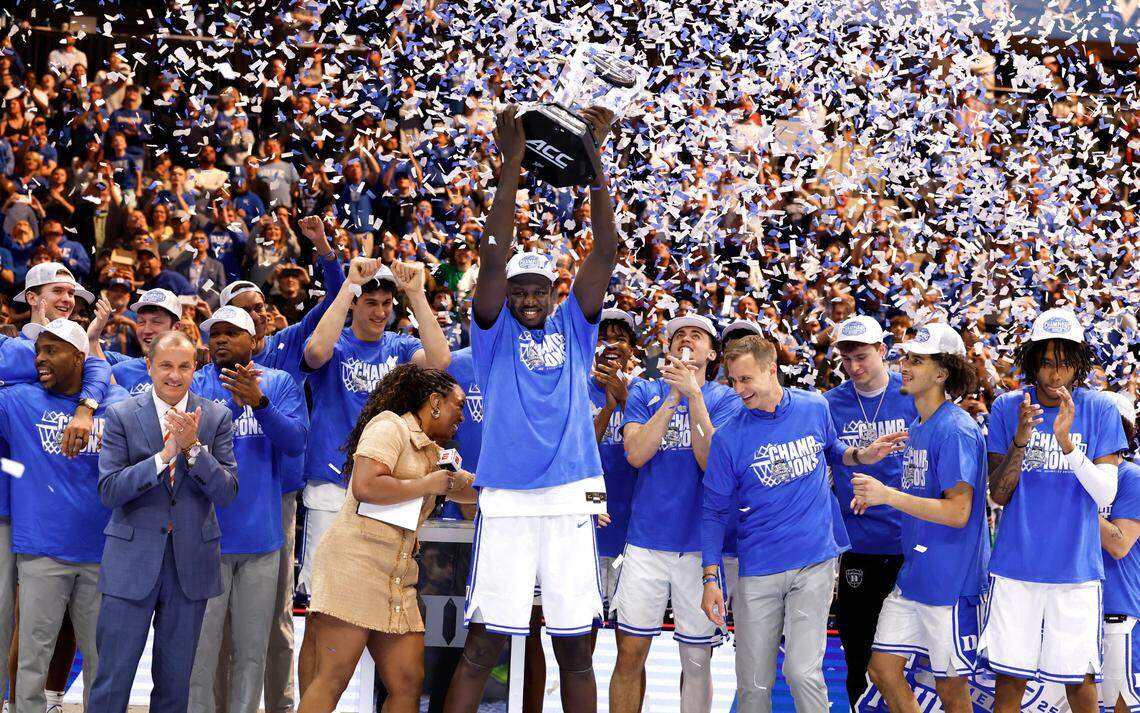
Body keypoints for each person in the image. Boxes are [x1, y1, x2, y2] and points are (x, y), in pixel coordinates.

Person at [443, 104, 618, 713]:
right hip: (509, 498)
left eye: (536, 289)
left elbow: (607, 250)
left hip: (572, 495)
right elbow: (493, 257)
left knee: (577, 648)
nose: (525, 298)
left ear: (554, 291)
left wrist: (593, 156)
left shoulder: (576, 326)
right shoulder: (491, 334)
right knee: (483, 644)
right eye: (517, 290)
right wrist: (511, 167)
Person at [700, 335, 906, 712]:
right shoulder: (728, 438)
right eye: (733, 381)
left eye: (745, 379)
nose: (738, 389)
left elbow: (831, 450)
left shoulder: (813, 406)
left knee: (801, 671)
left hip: (815, 559)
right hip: (759, 568)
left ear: (770, 369)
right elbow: (712, 510)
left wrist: (863, 454)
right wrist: (710, 577)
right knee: (753, 683)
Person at [297, 256, 450, 694]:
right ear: (355, 305)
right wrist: (347, 288)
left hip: (388, 490)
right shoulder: (339, 342)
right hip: (333, 485)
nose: (380, 311)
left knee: (376, 607)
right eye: (371, 302)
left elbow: (439, 363)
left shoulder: (401, 348)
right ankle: (313, 700)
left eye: (386, 303)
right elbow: (314, 353)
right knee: (323, 608)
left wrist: (417, 295)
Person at [298, 364, 476, 712]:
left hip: (397, 578)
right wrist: (428, 484)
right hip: (354, 568)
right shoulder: (389, 425)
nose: (463, 417)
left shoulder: (433, 451)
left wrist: (499, 487)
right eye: (459, 405)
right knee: (333, 678)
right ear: (435, 402)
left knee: (408, 682)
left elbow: (466, 489)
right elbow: (365, 485)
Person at [981, 308, 1127, 713]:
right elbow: (999, 494)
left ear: (1079, 363)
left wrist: (1066, 442)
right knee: (1009, 680)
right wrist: (1021, 440)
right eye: (1046, 363)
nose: (1054, 375)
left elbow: (1103, 493)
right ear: (1033, 362)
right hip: (1016, 566)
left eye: (1064, 364)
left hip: (1076, 569)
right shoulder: (1009, 407)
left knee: (1080, 681)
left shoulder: (1099, 409)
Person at [87, 330, 239, 713]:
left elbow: (227, 492)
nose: (175, 375)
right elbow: (109, 490)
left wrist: (192, 449)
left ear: (195, 368)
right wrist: (162, 458)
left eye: (184, 366)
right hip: (130, 562)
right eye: (166, 365)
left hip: (191, 567)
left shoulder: (216, 416)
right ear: (150, 367)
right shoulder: (121, 414)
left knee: (175, 686)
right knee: (111, 681)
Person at [847, 323, 990, 713]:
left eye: (917, 360)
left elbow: (958, 512)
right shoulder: (918, 426)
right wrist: (878, 498)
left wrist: (888, 496)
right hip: (916, 574)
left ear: (942, 373)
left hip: (951, 580)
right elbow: (922, 495)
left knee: (952, 690)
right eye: (906, 357)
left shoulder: (957, 429)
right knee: (881, 669)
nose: (905, 366)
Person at [611, 313, 740, 713]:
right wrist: (672, 398)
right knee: (630, 653)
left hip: (701, 548)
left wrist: (694, 395)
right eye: (679, 335)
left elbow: (711, 463)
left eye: (697, 335)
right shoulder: (645, 392)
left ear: (713, 351)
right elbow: (635, 454)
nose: (686, 339)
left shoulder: (727, 398)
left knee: (697, 660)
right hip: (645, 541)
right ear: (667, 349)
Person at [186, 306, 309, 713]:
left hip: (261, 540)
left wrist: (260, 404)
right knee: (203, 655)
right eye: (214, 333)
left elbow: (295, 443)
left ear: (255, 341)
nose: (220, 339)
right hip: (207, 540)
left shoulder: (279, 383)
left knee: (252, 652)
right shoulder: (194, 385)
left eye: (231, 332)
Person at [0, 319, 126, 712]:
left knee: (103, 661)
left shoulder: (118, 404)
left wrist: (88, 403)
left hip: (103, 553)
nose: (40, 359)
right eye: (38, 351)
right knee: (31, 662)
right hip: (41, 551)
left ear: (79, 357)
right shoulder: (18, 400)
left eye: (51, 351)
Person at [823, 315, 917, 706]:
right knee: (857, 646)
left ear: (883, 350)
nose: (854, 367)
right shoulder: (831, 403)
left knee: (908, 656)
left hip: (908, 540)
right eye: (846, 360)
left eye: (862, 356)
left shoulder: (911, 394)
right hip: (858, 543)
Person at [1098, 392, 1140, 713]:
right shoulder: (1082, 479)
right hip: (1079, 610)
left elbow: (1119, 544)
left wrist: (1071, 503)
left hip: (1119, 614)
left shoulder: (1132, 478)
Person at [103, 288, 182, 392]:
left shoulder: (192, 375)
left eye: (156, 322)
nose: (146, 330)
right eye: (141, 321)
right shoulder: (120, 371)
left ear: (176, 328)